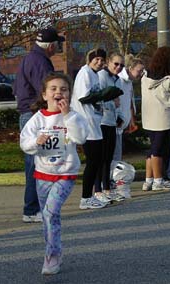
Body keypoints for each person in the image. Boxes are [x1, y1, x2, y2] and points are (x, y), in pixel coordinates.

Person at [20, 73, 88, 275]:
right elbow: (25, 143)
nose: (59, 92)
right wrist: (36, 143)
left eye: (64, 89)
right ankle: (52, 250)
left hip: (66, 173)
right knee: (49, 218)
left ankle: (52, 255)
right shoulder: (37, 119)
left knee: (50, 212)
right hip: (43, 174)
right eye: (54, 89)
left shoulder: (73, 116)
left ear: (69, 94)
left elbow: (80, 138)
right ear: (44, 94)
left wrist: (67, 116)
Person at [13, 27, 65, 223]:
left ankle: (35, 207)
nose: (58, 47)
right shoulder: (41, 62)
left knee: (36, 161)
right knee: (36, 163)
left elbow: (18, 89)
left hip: (27, 113)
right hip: (35, 114)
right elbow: (49, 91)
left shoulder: (28, 59)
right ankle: (32, 209)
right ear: (51, 46)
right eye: (58, 44)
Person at [70, 48, 110, 210]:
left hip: (95, 121)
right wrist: (103, 95)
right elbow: (83, 97)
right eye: (97, 59)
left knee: (97, 160)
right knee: (93, 161)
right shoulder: (85, 73)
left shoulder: (95, 75)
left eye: (102, 60)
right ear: (90, 59)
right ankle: (85, 198)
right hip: (86, 122)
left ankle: (91, 195)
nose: (99, 63)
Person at [141, 46, 170, 191]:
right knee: (161, 150)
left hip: (148, 117)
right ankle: (159, 180)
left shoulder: (145, 76)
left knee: (152, 149)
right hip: (165, 118)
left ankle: (148, 180)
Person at [95, 53, 125, 202]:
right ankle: (98, 189)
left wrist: (119, 116)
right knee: (100, 157)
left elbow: (118, 100)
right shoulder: (101, 76)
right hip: (101, 121)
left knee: (108, 157)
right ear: (108, 63)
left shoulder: (117, 79)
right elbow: (98, 99)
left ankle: (107, 188)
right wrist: (112, 102)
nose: (118, 67)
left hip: (112, 121)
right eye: (116, 64)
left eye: (121, 65)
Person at [115, 55, 145, 161]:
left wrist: (131, 122)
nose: (141, 74)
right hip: (115, 125)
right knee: (114, 155)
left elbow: (130, 103)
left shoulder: (129, 82)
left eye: (142, 71)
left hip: (121, 126)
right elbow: (116, 103)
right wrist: (119, 121)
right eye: (139, 71)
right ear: (131, 68)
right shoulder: (119, 80)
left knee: (117, 155)